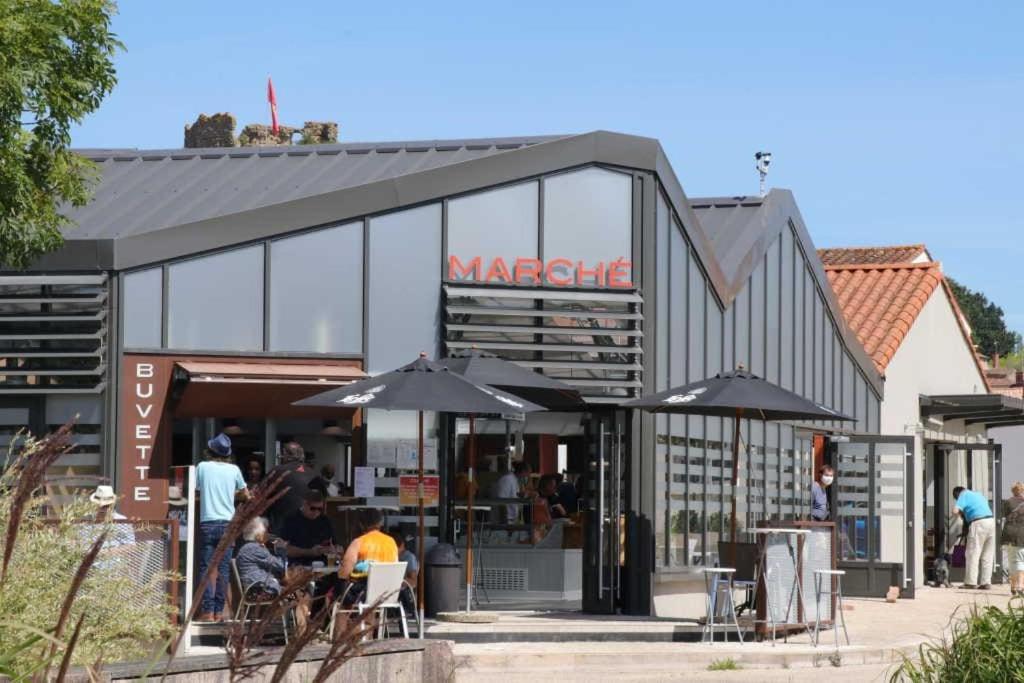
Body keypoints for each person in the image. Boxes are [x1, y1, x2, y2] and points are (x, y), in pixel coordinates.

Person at [195, 433, 250, 622]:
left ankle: (207, 612)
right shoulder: (234, 469)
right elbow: (246, 495)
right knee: (224, 569)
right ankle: (219, 611)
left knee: (207, 568)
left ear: (210, 451)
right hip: (228, 523)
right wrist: (230, 494)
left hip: (208, 522)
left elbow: (195, 489)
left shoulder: (203, 467)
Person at [266, 441, 318, 534]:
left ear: (286, 455)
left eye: (281, 455)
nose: (281, 458)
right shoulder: (314, 474)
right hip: (310, 529)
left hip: (282, 530)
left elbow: (260, 497)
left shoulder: (276, 471)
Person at [339, 508, 398, 587]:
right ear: (380, 523)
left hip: (364, 591)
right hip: (388, 590)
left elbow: (345, 573)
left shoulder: (358, 542)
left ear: (361, 525)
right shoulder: (391, 542)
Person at [952, 485, 996, 589]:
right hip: (991, 522)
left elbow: (955, 511)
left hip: (978, 523)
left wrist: (959, 512)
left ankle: (970, 582)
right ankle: (986, 583)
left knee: (972, 554)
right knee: (987, 555)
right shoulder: (978, 494)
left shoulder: (963, 494)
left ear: (957, 495)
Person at [279, 490, 337, 566]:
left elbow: (334, 545)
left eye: (320, 509)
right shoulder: (290, 520)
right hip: (299, 566)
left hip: (323, 566)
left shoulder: (325, 521)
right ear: (304, 504)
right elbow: (284, 549)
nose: (316, 512)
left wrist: (332, 549)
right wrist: (309, 552)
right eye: (313, 508)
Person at [235, 517, 286, 599]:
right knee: (294, 591)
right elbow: (281, 565)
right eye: (266, 532)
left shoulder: (246, 547)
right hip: (260, 590)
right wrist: (281, 549)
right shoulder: (255, 548)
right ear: (258, 534)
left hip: (253, 587)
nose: (268, 535)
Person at [1000, 481, 1024, 596]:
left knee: (1012, 560)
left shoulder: (1008, 502)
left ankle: (1013, 586)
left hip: (1009, 533)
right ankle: (1021, 585)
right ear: (1022, 490)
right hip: (1021, 533)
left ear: (1012, 491)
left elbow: (1005, 515)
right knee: (1021, 559)